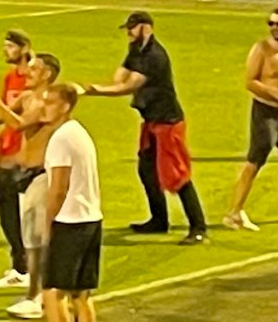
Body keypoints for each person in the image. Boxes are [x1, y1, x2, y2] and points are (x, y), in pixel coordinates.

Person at [84, 12, 206, 244]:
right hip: (152, 120)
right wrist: (110, 84)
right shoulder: (138, 50)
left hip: (167, 121)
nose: (129, 32)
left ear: (146, 28)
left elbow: (129, 85)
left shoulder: (154, 56)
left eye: (132, 28)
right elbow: (120, 75)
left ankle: (198, 227)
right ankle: (159, 219)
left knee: (176, 175)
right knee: (147, 170)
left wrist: (97, 90)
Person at [25, 84, 103, 322]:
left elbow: (58, 186)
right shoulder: (79, 133)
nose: (44, 107)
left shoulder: (60, 139)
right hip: (91, 219)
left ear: (66, 106)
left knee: (53, 292)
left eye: (50, 103)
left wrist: (48, 223)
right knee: (81, 294)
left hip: (69, 222)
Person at [0, 53, 65, 322]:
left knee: (37, 239)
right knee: (30, 236)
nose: (27, 72)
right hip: (24, 172)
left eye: (34, 69)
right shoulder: (27, 97)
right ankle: (37, 293)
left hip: (41, 173)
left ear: (48, 74)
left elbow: (18, 124)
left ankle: (37, 297)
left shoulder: (47, 102)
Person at [224, 6, 278, 233]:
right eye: (271, 23)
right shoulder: (261, 50)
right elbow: (250, 82)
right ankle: (234, 212)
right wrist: (277, 95)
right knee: (254, 161)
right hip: (265, 112)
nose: (274, 28)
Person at [0, 30, 37, 293]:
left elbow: (18, 116)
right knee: (8, 215)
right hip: (6, 152)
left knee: (27, 216)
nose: (5, 51)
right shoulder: (10, 78)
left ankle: (29, 270)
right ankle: (19, 267)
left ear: (24, 47)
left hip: (25, 155)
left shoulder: (36, 78)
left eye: (10, 46)